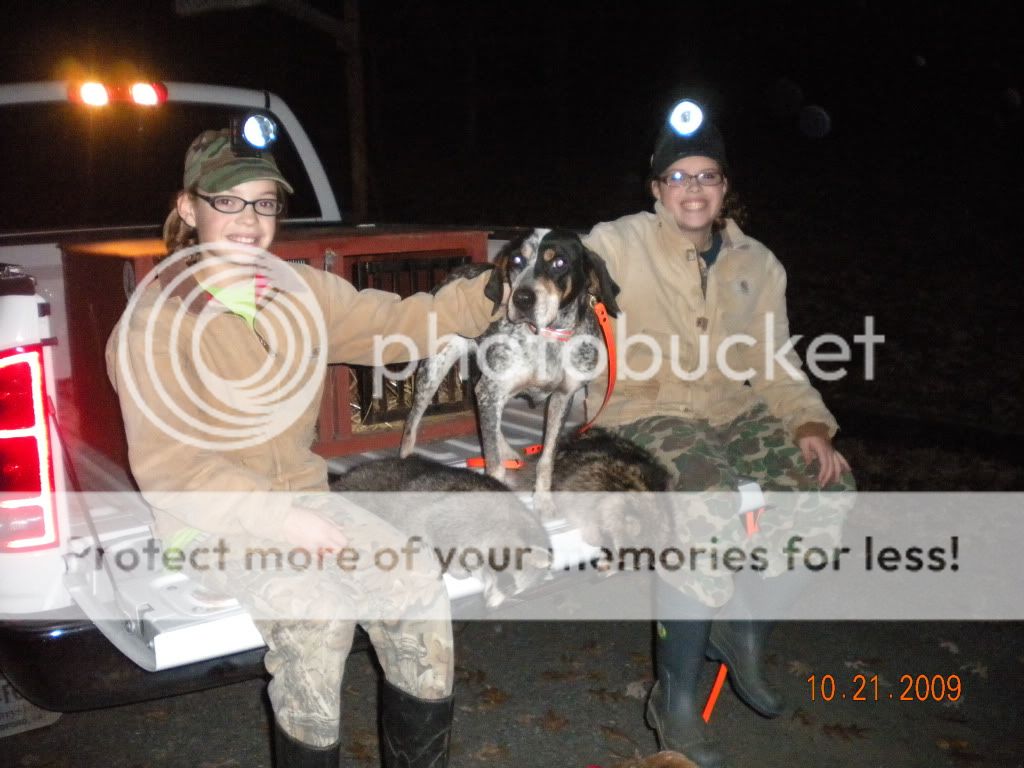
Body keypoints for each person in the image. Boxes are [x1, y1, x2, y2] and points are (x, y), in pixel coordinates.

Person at [106, 127, 501, 767]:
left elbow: (394, 324)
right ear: (188, 208)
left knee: (416, 581)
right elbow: (172, 468)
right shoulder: (155, 322)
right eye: (228, 202)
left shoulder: (297, 290)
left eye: (264, 203)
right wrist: (282, 519)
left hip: (304, 500)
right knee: (318, 617)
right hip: (207, 519)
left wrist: (487, 296)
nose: (249, 220)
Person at [582, 99, 856, 767]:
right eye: (679, 177)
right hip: (639, 408)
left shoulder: (756, 263)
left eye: (707, 176)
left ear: (725, 187)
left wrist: (809, 423)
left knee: (830, 488)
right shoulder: (617, 243)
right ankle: (675, 700)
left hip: (731, 408)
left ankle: (743, 625)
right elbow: (558, 271)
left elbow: (775, 361)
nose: (694, 188)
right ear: (656, 189)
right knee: (706, 500)